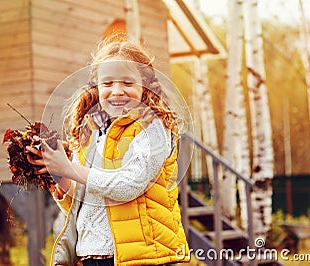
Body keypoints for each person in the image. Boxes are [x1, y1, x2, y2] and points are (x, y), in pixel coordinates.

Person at [26, 38, 190, 266]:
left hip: (139, 258)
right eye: (108, 83)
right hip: (89, 255)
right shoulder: (89, 132)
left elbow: (128, 186)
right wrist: (58, 174)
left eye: (127, 82)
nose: (117, 91)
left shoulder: (152, 129)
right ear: (97, 87)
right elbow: (81, 197)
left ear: (146, 85)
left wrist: (69, 168)